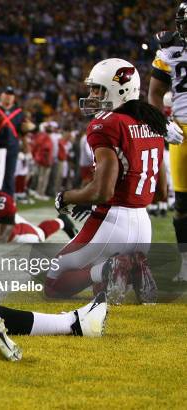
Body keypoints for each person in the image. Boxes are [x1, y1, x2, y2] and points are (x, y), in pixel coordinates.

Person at [50, 58, 169, 303]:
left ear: (119, 90)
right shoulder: (153, 123)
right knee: (100, 292)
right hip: (142, 228)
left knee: (53, 281)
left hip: (111, 223)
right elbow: (161, 193)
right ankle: (132, 267)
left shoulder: (107, 124)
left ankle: (107, 268)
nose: (92, 94)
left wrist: (67, 197)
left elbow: (103, 191)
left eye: (98, 89)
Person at [148, 3, 187, 281]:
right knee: (183, 204)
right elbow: (154, 94)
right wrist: (163, 123)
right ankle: (186, 265)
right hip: (183, 131)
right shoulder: (169, 51)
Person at [0, 87, 32, 196]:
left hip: (12, 148)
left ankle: (8, 204)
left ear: (14, 97)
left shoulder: (19, 112)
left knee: (9, 176)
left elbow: (23, 134)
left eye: (11, 95)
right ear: (1, 96)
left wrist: (27, 150)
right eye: (6, 94)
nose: (8, 97)